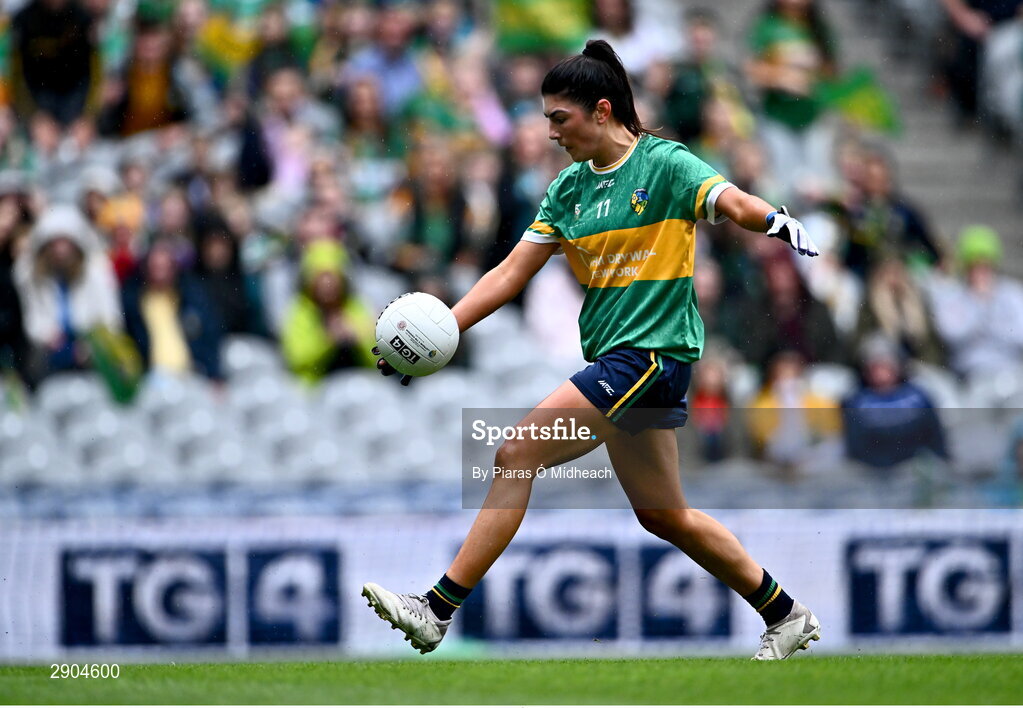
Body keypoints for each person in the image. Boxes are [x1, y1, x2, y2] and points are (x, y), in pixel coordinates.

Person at [362, 40, 821, 661]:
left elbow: (731, 201)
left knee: (515, 452)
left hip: (650, 356)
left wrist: (775, 220)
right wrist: (438, 332)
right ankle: (785, 613)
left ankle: (435, 609)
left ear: (601, 111)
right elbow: (507, 275)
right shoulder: (568, 190)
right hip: (622, 361)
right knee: (664, 515)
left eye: (559, 118)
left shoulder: (666, 165)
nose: (550, 132)